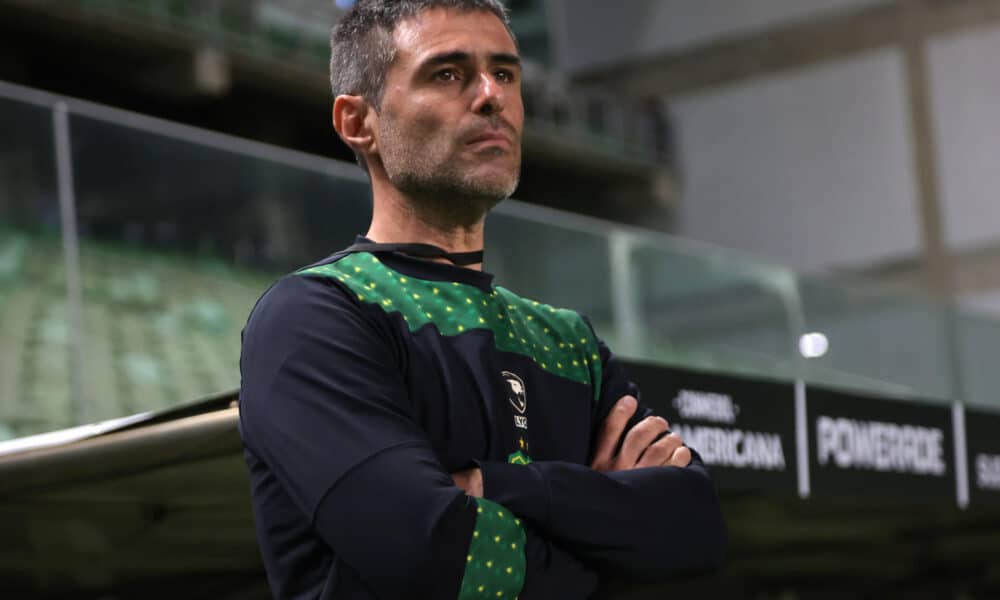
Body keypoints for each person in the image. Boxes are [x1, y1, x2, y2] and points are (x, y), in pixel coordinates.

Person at [238, 1, 726, 599]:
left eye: (506, 73)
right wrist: (604, 534)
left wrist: (498, 487)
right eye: (447, 73)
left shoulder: (567, 340)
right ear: (357, 122)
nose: (491, 95)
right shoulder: (315, 316)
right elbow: (434, 556)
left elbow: (695, 530)